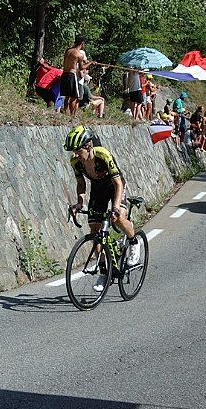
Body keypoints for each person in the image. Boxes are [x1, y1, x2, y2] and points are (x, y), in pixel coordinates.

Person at [65, 125, 139, 292]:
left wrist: (115, 207)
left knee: (118, 217)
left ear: (88, 146)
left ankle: (134, 241)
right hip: (98, 188)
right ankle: (104, 271)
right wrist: (79, 203)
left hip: (115, 185)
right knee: (95, 231)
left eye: (77, 150)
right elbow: (81, 184)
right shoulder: (75, 161)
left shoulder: (103, 155)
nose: (75, 154)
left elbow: (118, 182)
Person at [61, 35, 91, 117]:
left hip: (64, 74)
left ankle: (66, 112)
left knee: (67, 95)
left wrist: (85, 61)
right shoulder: (79, 54)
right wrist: (90, 63)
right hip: (71, 74)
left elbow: (73, 60)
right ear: (82, 43)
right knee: (74, 96)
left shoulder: (68, 51)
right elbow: (82, 67)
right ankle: (73, 115)